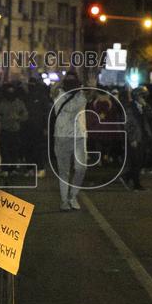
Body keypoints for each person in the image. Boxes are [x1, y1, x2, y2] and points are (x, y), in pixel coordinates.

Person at [50, 72, 88, 211]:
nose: (71, 83)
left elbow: (91, 93)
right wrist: (62, 81)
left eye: (74, 81)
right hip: (62, 136)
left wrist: (88, 84)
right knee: (64, 171)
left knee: (81, 168)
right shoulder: (58, 93)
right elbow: (52, 89)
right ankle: (64, 201)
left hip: (80, 136)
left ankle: (73, 196)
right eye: (69, 81)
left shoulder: (82, 94)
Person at [0, 82, 28, 173]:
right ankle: (5, 169)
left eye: (12, 91)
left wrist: (18, 118)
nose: (10, 93)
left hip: (15, 130)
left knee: (14, 151)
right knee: (4, 151)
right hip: (5, 130)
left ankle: (13, 168)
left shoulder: (19, 103)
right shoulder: (2, 103)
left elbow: (25, 115)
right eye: (8, 91)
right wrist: (4, 119)